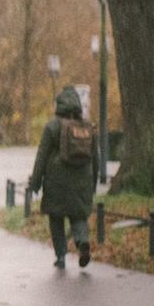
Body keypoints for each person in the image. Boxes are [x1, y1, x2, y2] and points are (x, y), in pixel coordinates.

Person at [28, 85, 96, 270]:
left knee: (56, 219)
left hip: (56, 183)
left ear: (59, 104)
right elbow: (94, 158)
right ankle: (82, 242)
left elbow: (42, 156)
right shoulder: (87, 127)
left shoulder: (52, 126)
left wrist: (35, 183)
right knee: (78, 216)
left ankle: (61, 256)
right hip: (82, 182)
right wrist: (93, 183)